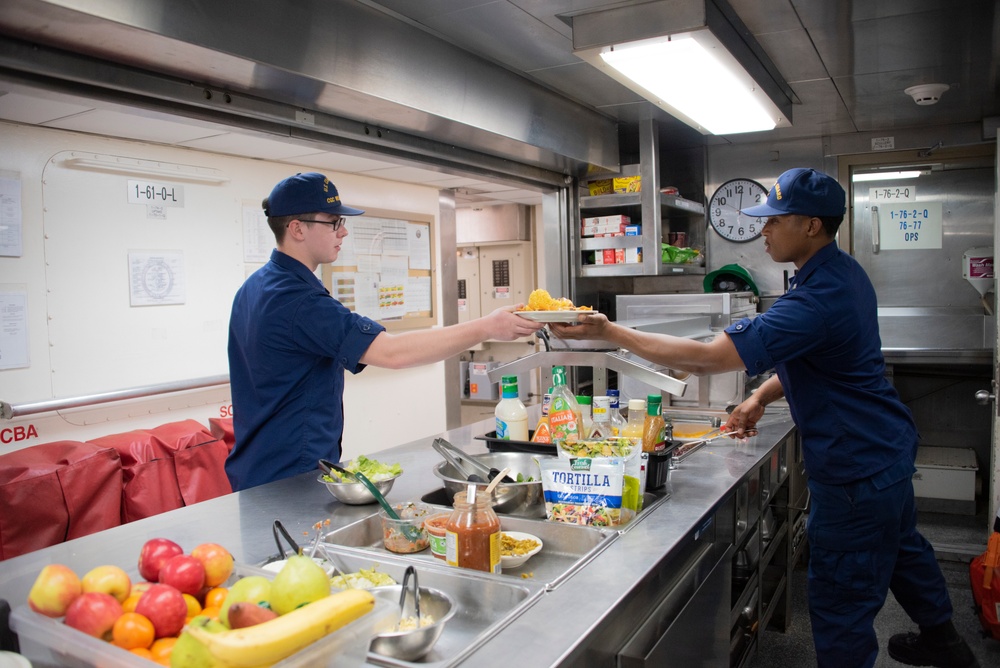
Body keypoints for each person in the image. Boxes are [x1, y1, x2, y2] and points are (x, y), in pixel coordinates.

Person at [550, 168, 978, 668]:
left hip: (854, 472)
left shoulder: (814, 299)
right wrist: (760, 398)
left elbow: (707, 358)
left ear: (812, 225)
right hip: (885, 453)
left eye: (775, 220)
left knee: (842, 602)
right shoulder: (842, 273)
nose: (764, 230)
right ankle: (945, 641)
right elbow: (816, 359)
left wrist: (608, 332)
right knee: (904, 550)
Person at [226, 172, 543, 490]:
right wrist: (488, 326)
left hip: (259, 470)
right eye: (333, 222)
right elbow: (393, 352)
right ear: (297, 228)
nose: (344, 231)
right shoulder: (297, 299)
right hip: (289, 479)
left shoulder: (255, 287)